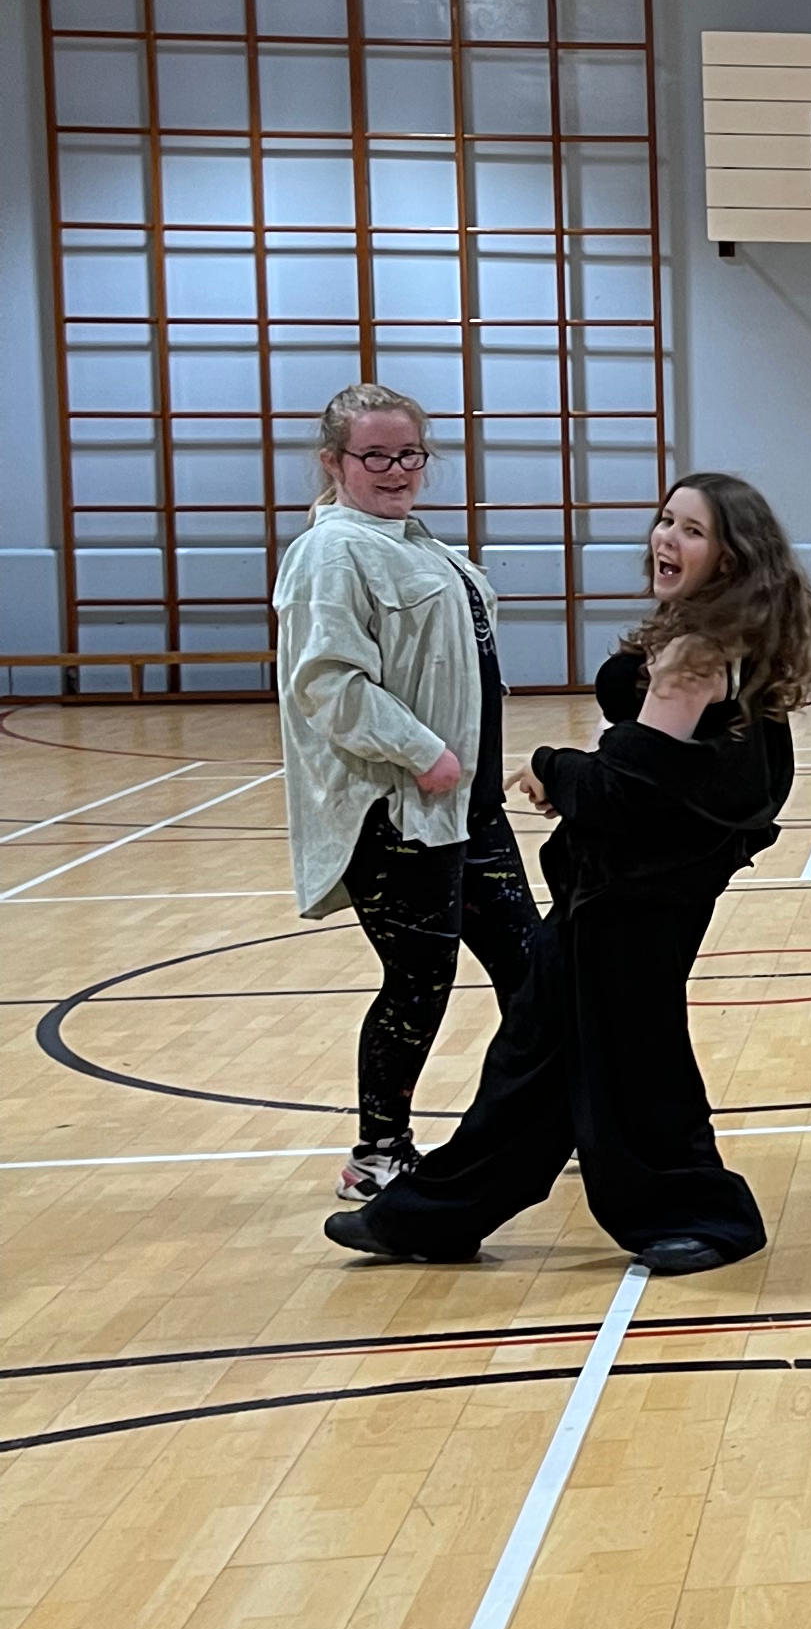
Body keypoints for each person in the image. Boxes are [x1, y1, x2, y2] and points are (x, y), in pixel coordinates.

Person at [324, 471, 811, 1275]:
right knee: (536, 1055)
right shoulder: (715, 636)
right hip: (621, 888)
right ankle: (437, 1214)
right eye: (665, 521)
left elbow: (625, 788)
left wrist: (550, 768)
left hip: (638, 896)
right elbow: (658, 772)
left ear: (731, 558)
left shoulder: (698, 651)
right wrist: (578, 773)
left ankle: (703, 1214)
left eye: (692, 530)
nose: (666, 539)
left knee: (632, 1056)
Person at [274, 381, 538, 1200]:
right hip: (398, 811)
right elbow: (327, 683)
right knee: (420, 981)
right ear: (334, 462)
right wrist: (421, 752)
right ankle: (378, 1153)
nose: (397, 470)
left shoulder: (422, 545)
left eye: (410, 454)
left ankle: (548, 1120)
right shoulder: (331, 552)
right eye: (376, 456)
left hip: (468, 808)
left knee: (535, 971)